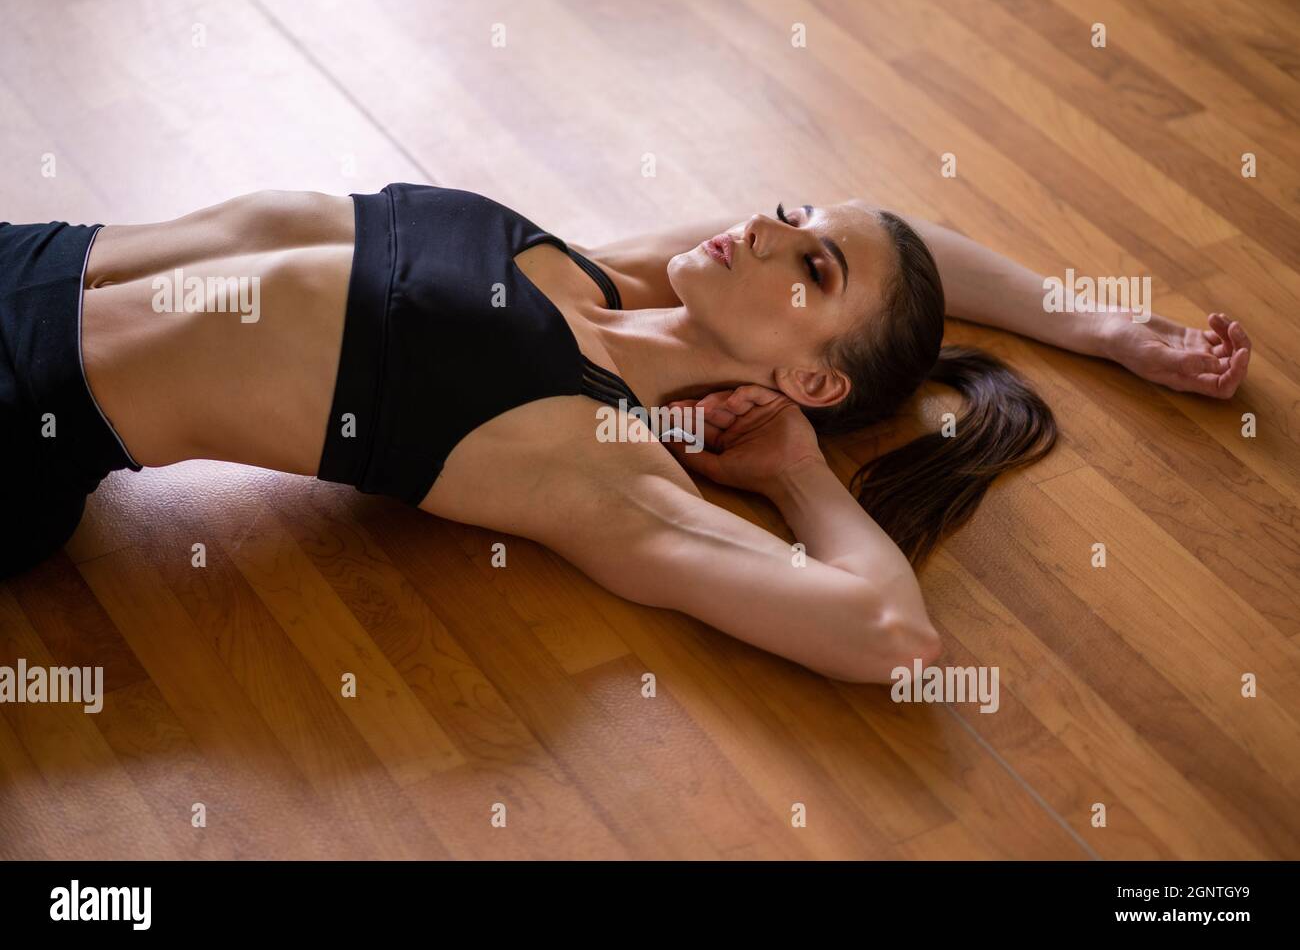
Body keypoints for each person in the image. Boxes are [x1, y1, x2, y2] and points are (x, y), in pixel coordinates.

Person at [0, 185, 1251, 682]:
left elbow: (892, 638)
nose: (767, 228)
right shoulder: (612, 275)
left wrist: (802, 483)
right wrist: (1111, 332)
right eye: (788, 212)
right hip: (37, 253)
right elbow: (898, 232)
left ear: (808, 384)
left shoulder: (588, 457)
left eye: (808, 266)